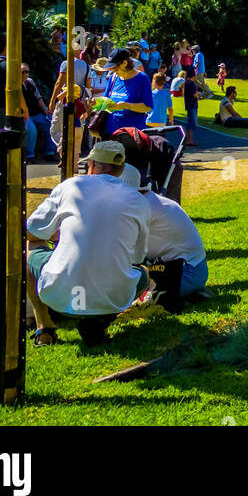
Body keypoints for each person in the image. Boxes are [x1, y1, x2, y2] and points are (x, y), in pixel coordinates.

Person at [25, 139, 151, 346]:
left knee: (29, 250)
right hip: (112, 298)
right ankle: (98, 322)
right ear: (121, 170)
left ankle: (44, 327)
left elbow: (31, 231)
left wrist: (56, 236)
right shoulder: (138, 200)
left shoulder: (71, 186)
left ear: (91, 165)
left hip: (59, 295)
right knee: (143, 275)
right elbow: (137, 257)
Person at [138, 179, 208, 300]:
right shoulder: (151, 200)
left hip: (185, 273)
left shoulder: (142, 208)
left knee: (124, 298)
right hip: (186, 269)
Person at [101, 49, 153, 137]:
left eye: (115, 68)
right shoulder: (113, 78)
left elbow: (147, 107)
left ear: (125, 63)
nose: (113, 71)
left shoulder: (142, 79)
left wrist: (126, 105)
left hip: (131, 135)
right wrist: (95, 103)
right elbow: (106, 101)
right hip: (110, 132)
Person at [20, 63, 56, 162]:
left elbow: (38, 97)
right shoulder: (15, 84)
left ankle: (50, 152)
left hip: (37, 113)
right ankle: (29, 155)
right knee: (31, 130)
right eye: (22, 72)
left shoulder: (30, 82)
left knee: (50, 125)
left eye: (26, 72)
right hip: (25, 115)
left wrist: (45, 109)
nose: (24, 74)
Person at [179, 65, 201, 148]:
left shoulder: (187, 83)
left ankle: (188, 139)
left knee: (190, 122)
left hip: (189, 104)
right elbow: (195, 94)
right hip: (192, 105)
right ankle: (189, 140)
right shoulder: (191, 83)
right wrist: (199, 94)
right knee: (192, 122)